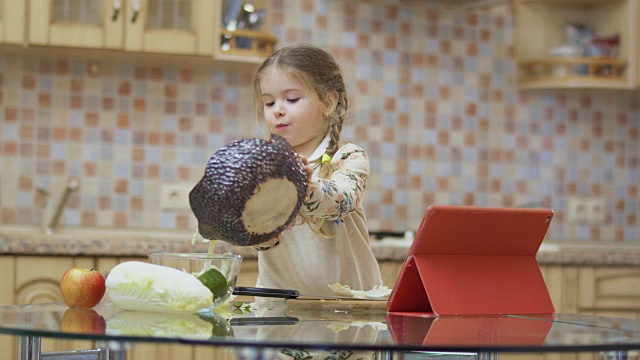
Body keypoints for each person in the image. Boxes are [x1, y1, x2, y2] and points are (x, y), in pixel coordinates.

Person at [251, 43, 383, 297]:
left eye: (291, 99)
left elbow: (341, 201)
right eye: (269, 103)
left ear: (328, 101)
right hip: (278, 306)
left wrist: (305, 187)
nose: (278, 109)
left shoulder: (348, 157)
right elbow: (264, 241)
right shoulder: (263, 168)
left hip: (349, 308)